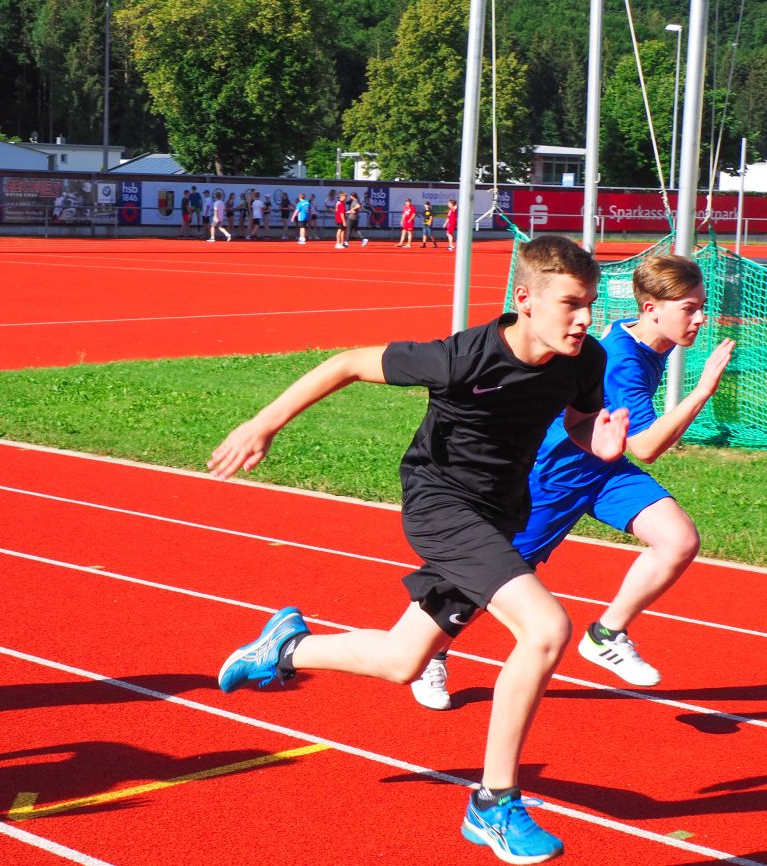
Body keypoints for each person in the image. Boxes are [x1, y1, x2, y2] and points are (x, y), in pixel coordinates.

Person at [211, 235, 629, 864]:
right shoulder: (462, 359)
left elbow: (577, 419)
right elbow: (348, 363)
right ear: (525, 300)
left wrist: (596, 443)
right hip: (441, 508)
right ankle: (494, 803)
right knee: (546, 629)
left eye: (590, 303)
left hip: (500, 516)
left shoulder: (583, 360)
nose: (585, 318)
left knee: (404, 661)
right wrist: (262, 423)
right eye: (571, 304)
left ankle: (286, 648)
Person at [409, 255, 736, 713]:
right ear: (651, 309)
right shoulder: (622, 360)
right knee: (483, 581)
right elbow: (646, 447)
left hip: (604, 470)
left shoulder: (645, 341)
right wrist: (702, 390)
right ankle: (430, 651)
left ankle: (606, 634)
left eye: (701, 306)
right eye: (689, 308)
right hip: (555, 476)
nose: (700, 318)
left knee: (678, 539)